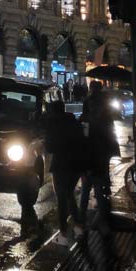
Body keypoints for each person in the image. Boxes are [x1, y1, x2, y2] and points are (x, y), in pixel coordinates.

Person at [45, 99, 88, 245]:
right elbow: (83, 143)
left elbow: (50, 147)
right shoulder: (74, 123)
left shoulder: (54, 125)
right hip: (76, 165)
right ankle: (78, 227)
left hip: (61, 165)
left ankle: (63, 233)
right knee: (69, 195)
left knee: (62, 199)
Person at [79, 80, 119, 234]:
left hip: (88, 154)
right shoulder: (106, 108)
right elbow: (110, 129)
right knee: (98, 188)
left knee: (85, 190)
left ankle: (81, 221)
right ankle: (104, 223)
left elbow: (82, 135)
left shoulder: (87, 110)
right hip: (102, 153)